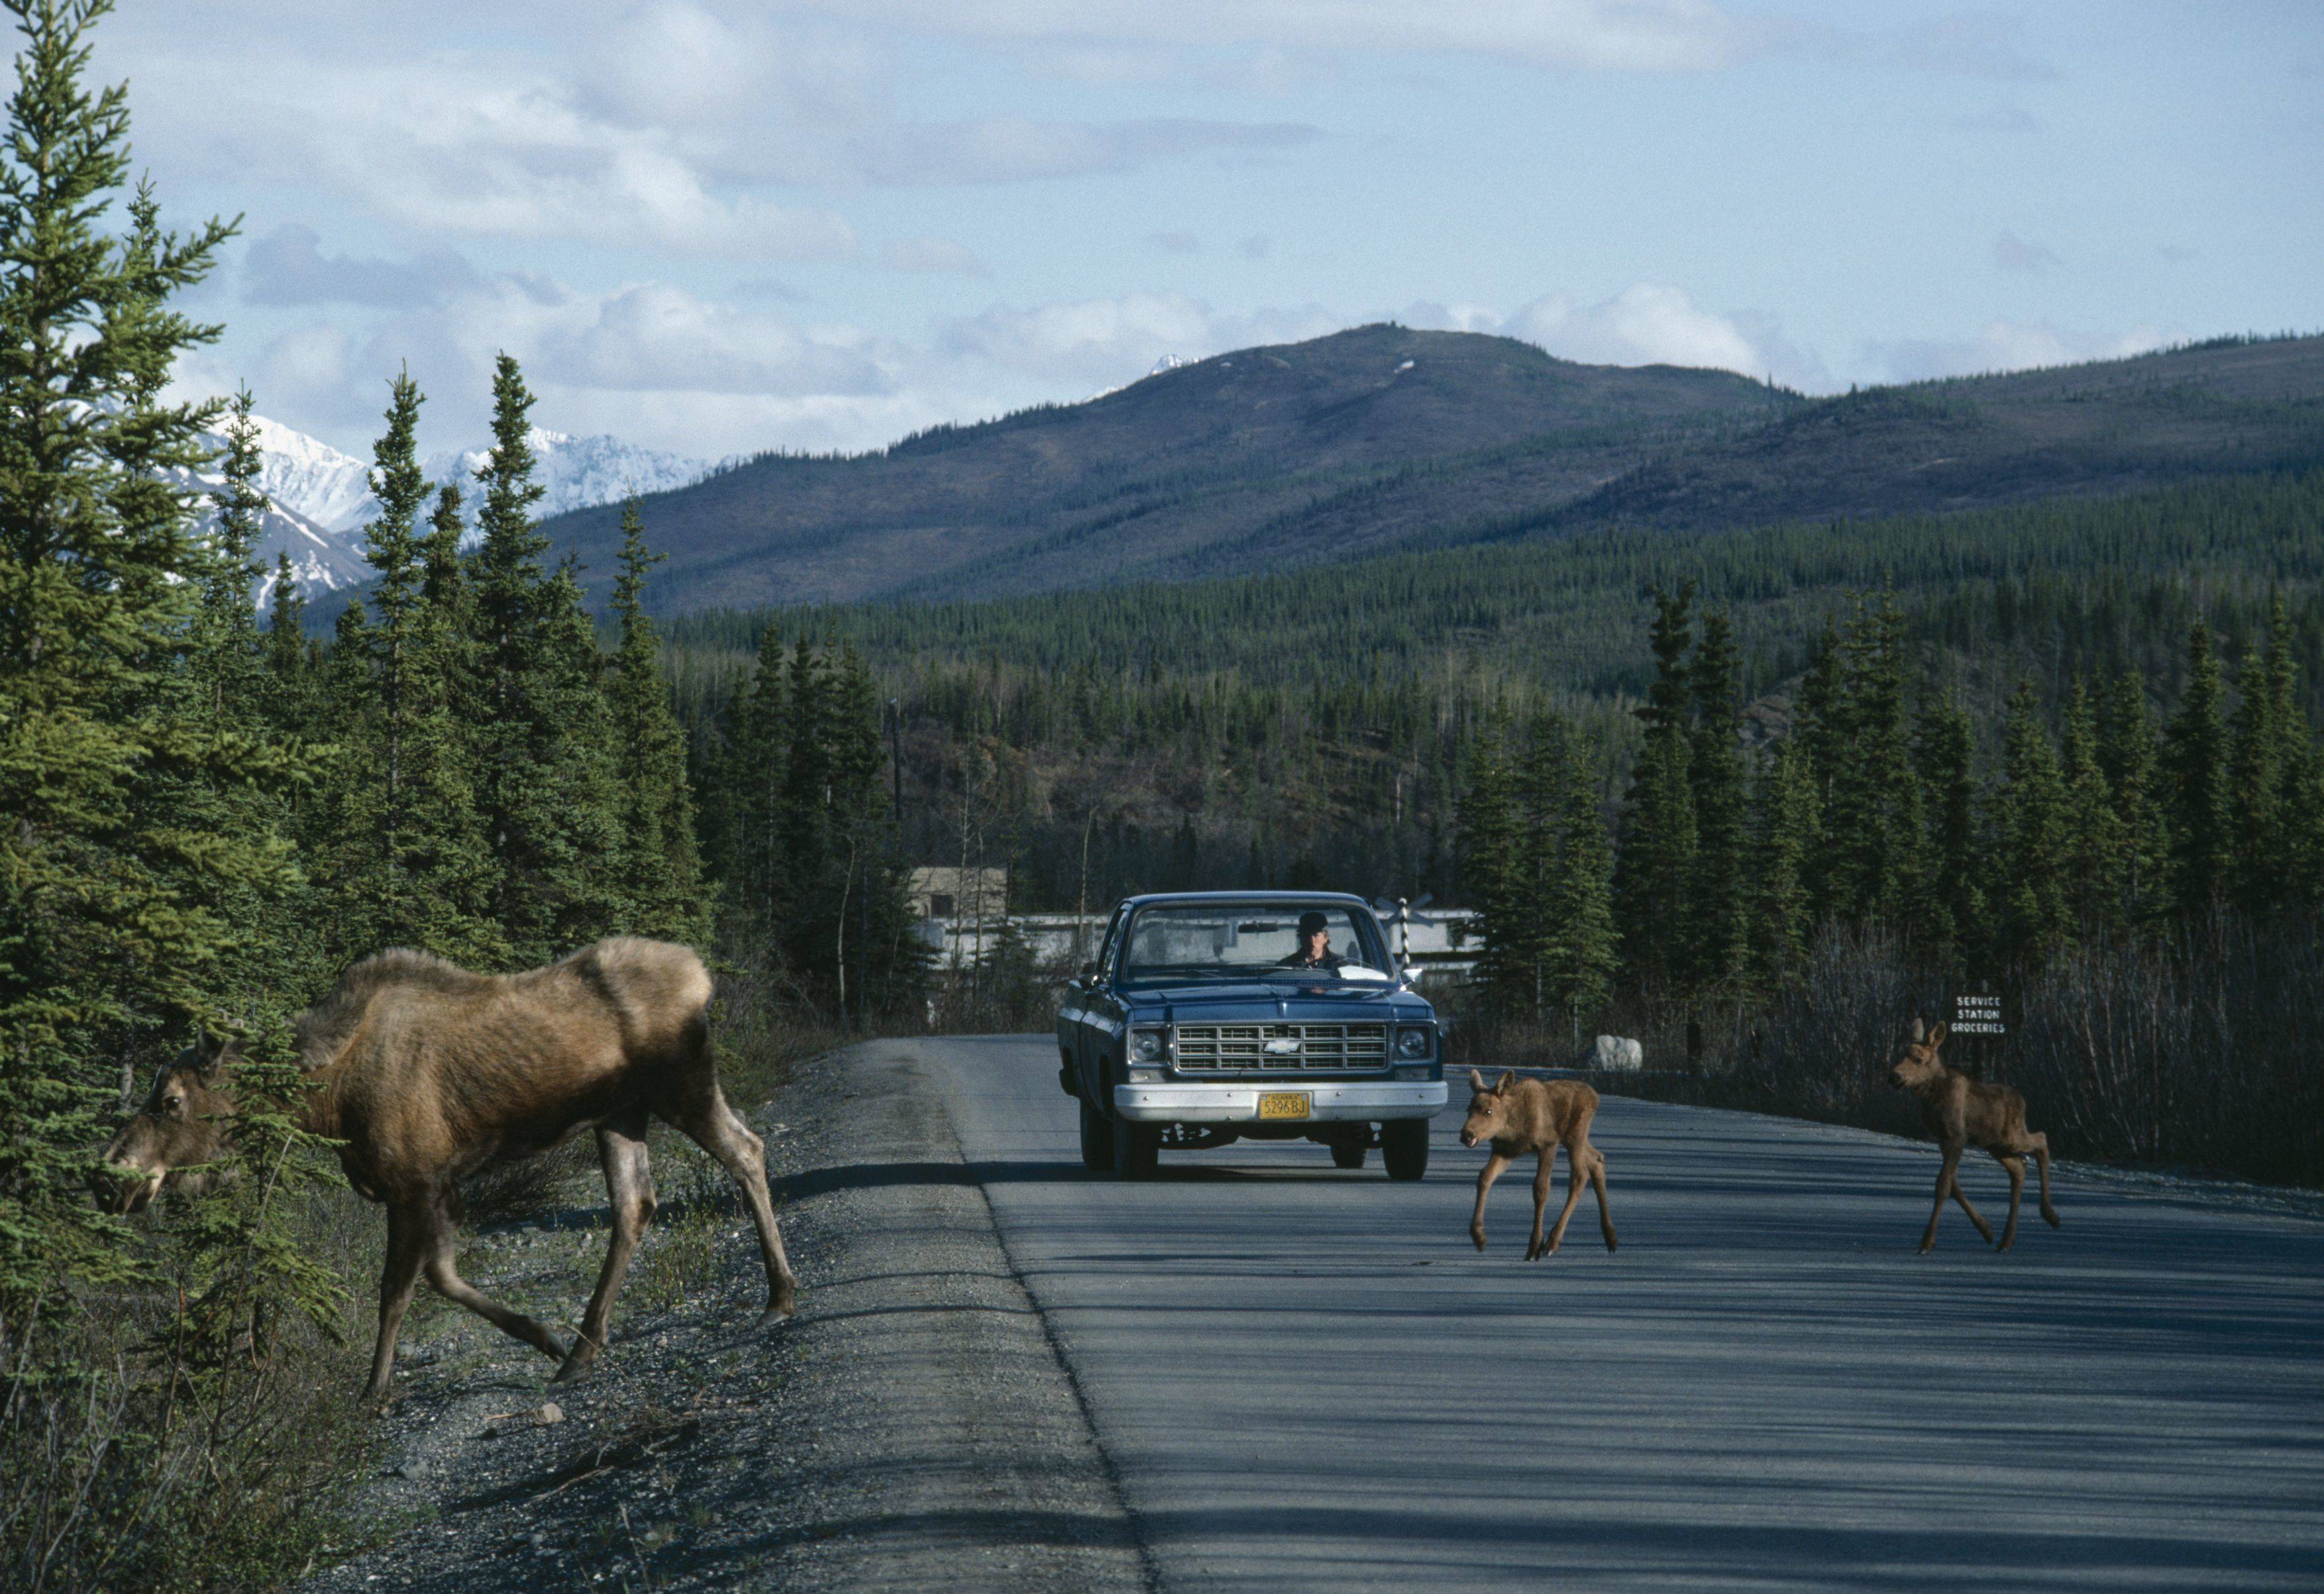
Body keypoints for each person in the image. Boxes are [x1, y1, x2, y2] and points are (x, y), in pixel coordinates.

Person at [1278, 910, 1342, 970]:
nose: (1311, 941)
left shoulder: (1340, 964)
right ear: (1301, 937)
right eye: (1307, 935)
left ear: (1325, 938)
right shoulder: (1285, 966)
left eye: (1316, 935)